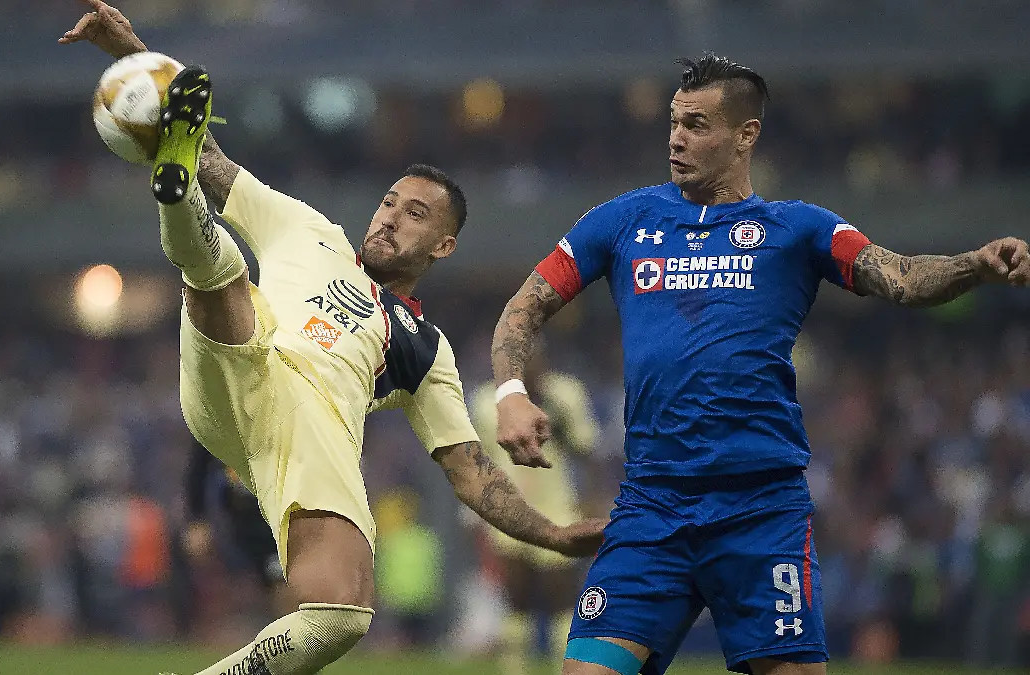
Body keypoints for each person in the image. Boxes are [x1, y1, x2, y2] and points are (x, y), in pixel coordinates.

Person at [60, 3, 605, 674]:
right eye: (388, 202)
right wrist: (134, 56)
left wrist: (554, 533)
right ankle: (175, 198)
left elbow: (472, 473)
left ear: (443, 244)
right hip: (240, 366)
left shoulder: (423, 346)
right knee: (225, 273)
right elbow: (210, 156)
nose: (389, 219)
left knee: (342, 613)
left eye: (415, 214)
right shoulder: (309, 230)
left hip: (307, 439)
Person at [490, 52, 1030, 675]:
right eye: (674, 122)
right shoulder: (622, 220)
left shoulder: (799, 229)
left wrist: (975, 265)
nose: (676, 138)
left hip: (760, 510)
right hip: (651, 507)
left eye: (696, 124)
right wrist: (510, 392)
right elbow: (523, 307)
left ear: (746, 134)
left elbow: (902, 278)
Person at [469, 343, 600, 674]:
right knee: (517, 596)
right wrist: (475, 511)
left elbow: (586, 449)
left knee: (561, 594)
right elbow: (477, 461)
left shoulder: (565, 394)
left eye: (536, 356)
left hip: (558, 505)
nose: (530, 364)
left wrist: (590, 498)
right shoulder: (486, 401)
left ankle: (564, 666)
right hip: (508, 505)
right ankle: (515, 667)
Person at [183, 438, 291, 617]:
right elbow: (199, 466)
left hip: (280, 513)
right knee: (262, 583)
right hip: (241, 519)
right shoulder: (219, 425)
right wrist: (196, 520)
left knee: (282, 579)